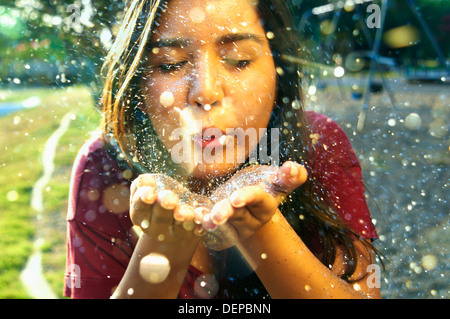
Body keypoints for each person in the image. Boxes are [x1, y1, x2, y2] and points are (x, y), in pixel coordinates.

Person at [64, 0, 382, 299]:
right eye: (171, 65)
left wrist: (260, 227)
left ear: (279, 71)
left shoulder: (318, 143)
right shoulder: (104, 167)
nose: (206, 91)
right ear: (139, 84)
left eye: (240, 60)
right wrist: (167, 242)